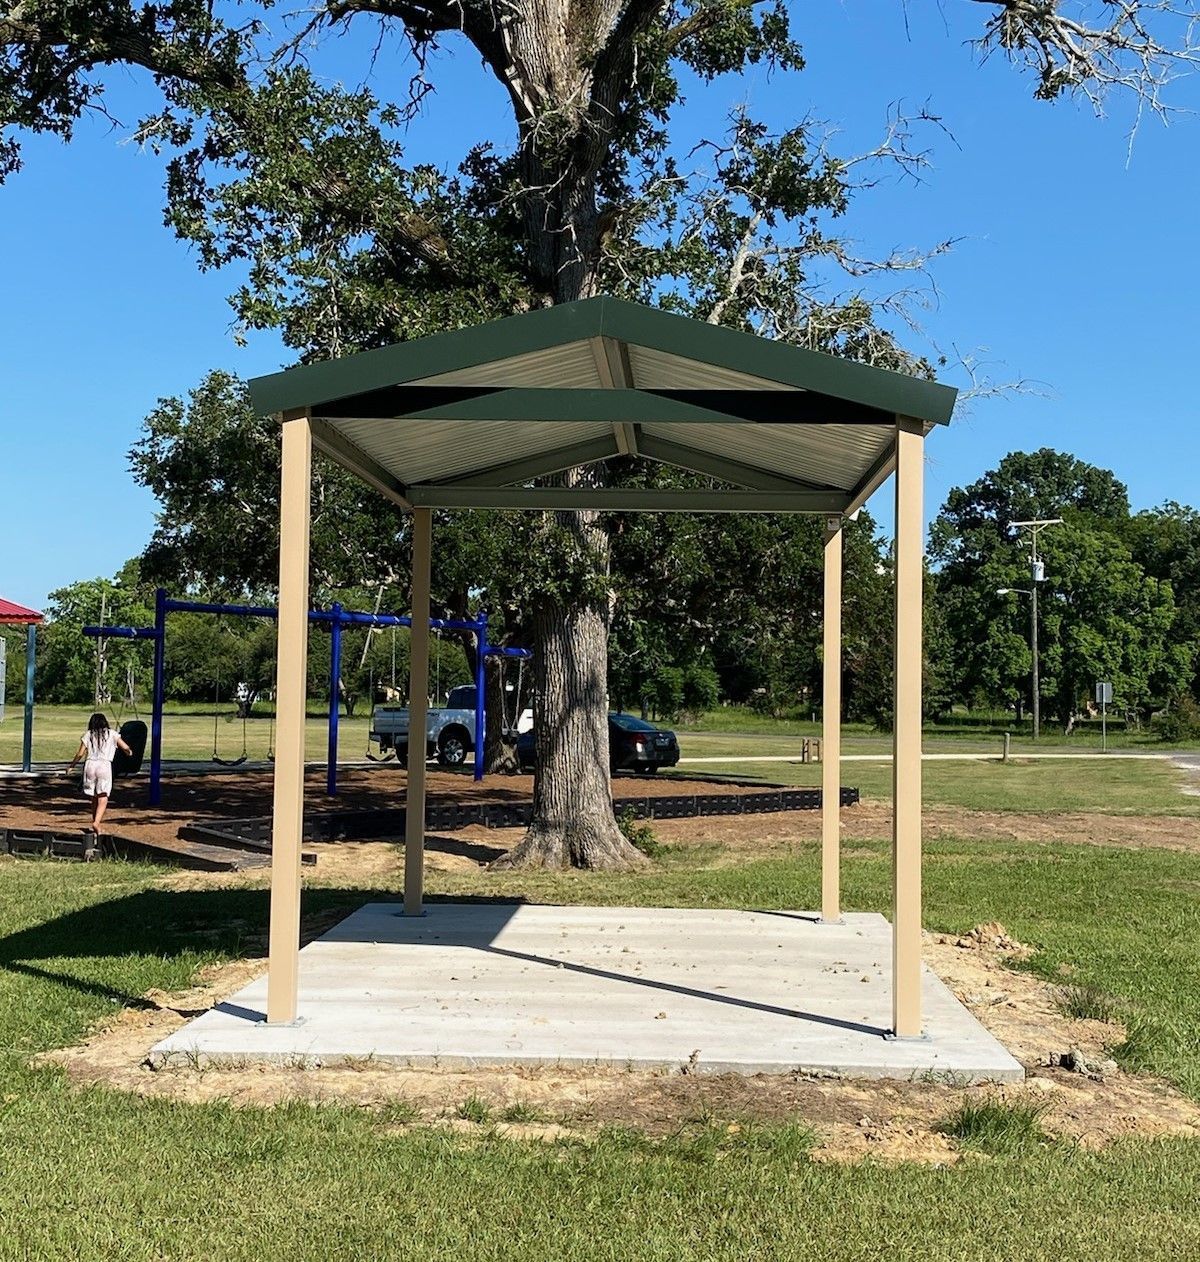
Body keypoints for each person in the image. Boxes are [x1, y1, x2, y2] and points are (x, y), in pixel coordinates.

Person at [66, 712, 132, 841]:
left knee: (94, 795)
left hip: (90, 765)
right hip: (104, 765)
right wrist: (129, 752)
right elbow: (125, 747)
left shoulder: (88, 734)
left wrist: (72, 766)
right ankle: (97, 822)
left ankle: (94, 820)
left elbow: (80, 753)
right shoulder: (112, 733)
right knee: (103, 796)